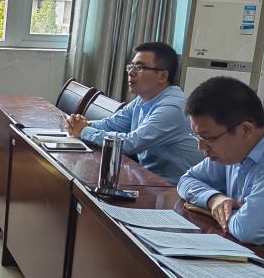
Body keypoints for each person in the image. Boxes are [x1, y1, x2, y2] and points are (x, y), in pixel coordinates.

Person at [177, 76, 264, 271]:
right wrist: (214, 199)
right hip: (241, 259)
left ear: (245, 129)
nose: (202, 148)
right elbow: (186, 180)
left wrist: (218, 212)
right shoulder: (233, 149)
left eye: (208, 139)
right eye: (197, 137)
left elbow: (249, 230)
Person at [65, 42, 202, 184]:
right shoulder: (144, 98)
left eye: (140, 67)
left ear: (162, 76)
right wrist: (84, 125)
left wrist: (84, 131)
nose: (131, 72)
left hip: (175, 188)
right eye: (131, 66)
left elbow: (131, 143)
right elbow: (113, 124)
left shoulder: (173, 107)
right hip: (148, 179)